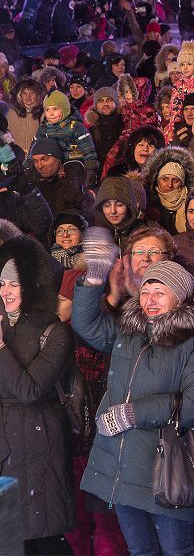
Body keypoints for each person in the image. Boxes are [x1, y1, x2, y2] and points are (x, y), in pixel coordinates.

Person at [72, 248, 194, 556]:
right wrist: (94, 279)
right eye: (146, 291)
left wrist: (134, 413)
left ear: (180, 297)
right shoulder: (129, 330)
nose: (149, 300)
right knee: (140, 551)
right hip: (120, 465)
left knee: (178, 550)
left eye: (160, 293)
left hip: (163, 466)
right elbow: (85, 326)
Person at [0, 230, 76, 552]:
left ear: (31, 285)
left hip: (40, 439)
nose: (6, 291)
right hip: (6, 444)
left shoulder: (55, 332)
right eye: (2, 283)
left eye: (14, 283)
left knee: (44, 537)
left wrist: (1, 348)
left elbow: (30, 390)